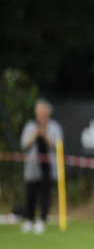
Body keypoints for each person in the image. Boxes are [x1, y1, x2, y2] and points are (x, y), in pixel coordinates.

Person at [20, 99, 63, 234]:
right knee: (30, 194)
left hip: (48, 167)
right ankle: (29, 219)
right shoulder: (30, 126)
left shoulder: (54, 127)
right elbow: (24, 144)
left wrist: (44, 136)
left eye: (43, 114)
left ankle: (42, 220)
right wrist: (35, 134)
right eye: (38, 114)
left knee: (45, 194)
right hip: (32, 167)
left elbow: (58, 146)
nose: (40, 116)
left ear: (47, 114)